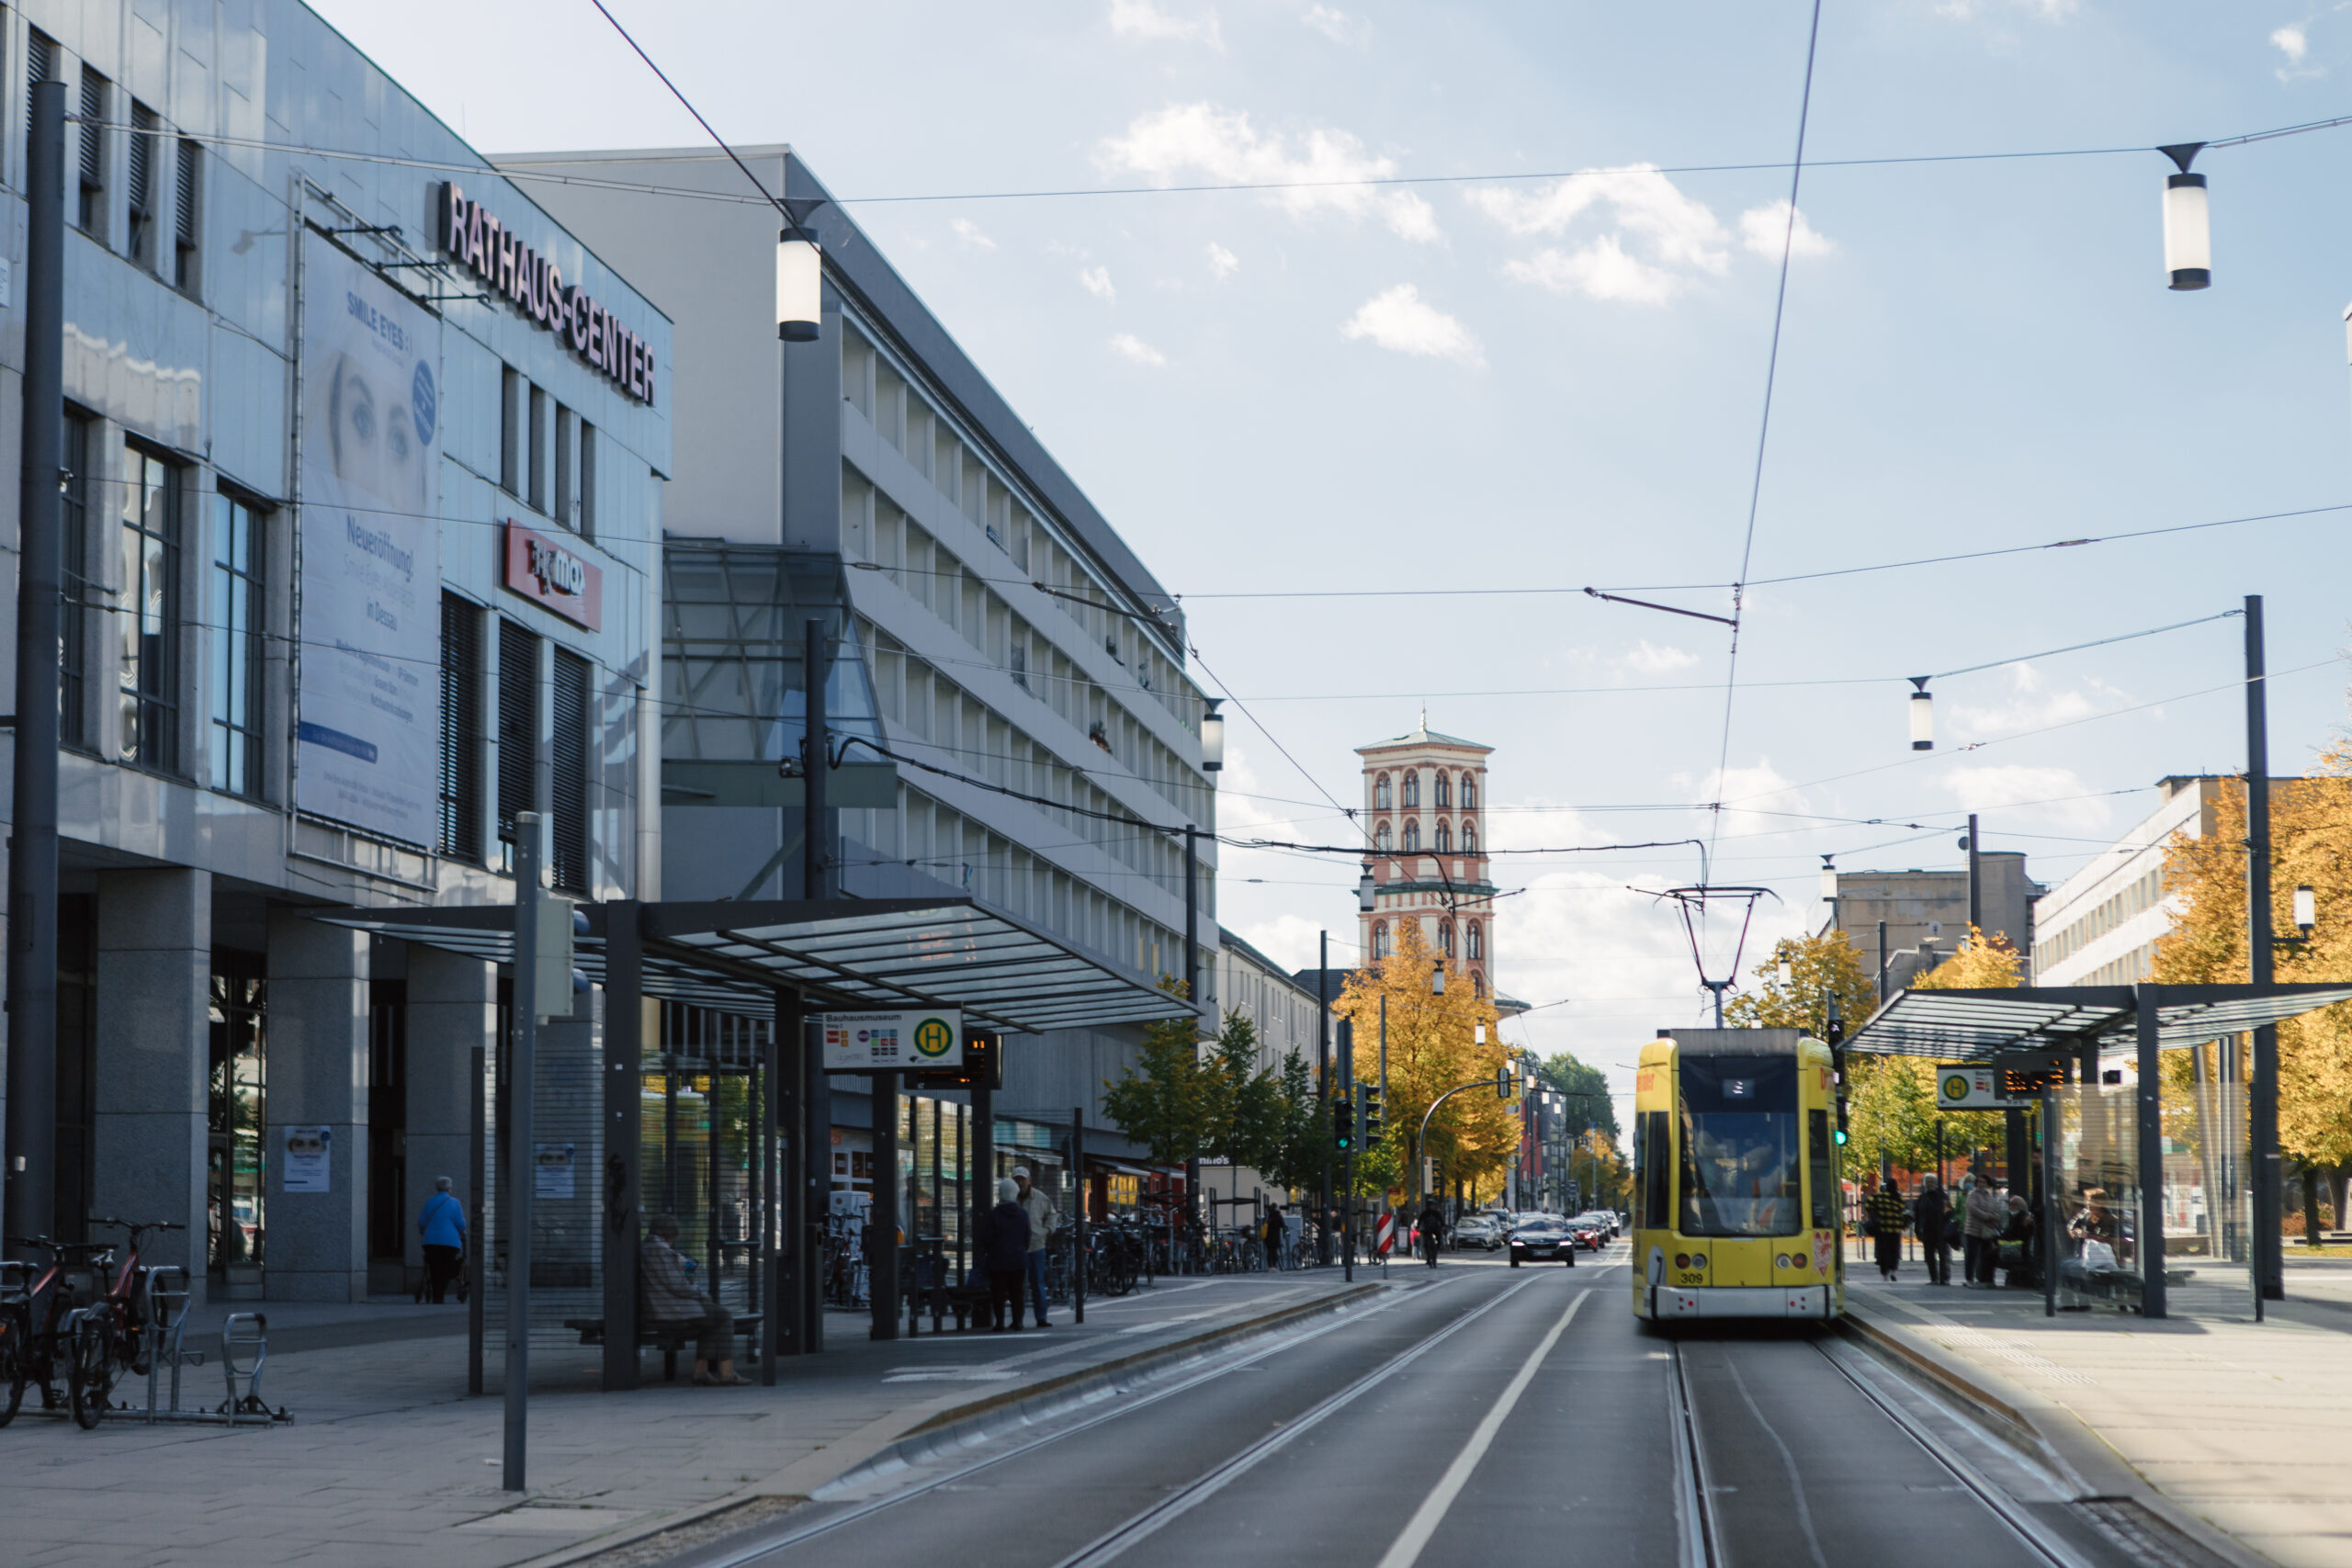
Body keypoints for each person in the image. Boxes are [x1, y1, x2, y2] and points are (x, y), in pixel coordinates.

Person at [640, 1215, 745, 1385]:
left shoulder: (649, 1248)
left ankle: (701, 1371)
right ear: (672, 1234)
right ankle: (726, 1372)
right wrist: (700, 1293)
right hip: (670, 1310)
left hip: (662, 1306)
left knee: (710, 1320)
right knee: (723, 1316)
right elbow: (677, 1285)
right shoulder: (660, 1251)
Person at [978, 1177, 1032, 1330]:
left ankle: (1000, 1322)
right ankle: (1018, 1321)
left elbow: (988, 1238)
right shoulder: (1023, 1214)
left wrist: (990, 1250)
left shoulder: (995, 1214)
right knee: (1017, 1292)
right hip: (1019, 1259)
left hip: (998, 1260)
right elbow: (1027, 1237)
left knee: (998, 1293)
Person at [1012, 1167, 1057, 1327]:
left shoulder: (1040, 1197)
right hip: (1017, 1247)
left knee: (1037, 1283)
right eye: (1017, 1179)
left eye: (1022, 1179)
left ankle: (1041, 1317)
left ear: (1029, 1180)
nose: (1020, 1182)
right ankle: (1018, 1319)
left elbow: (1052, 1214)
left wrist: (1046, 1231)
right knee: (1018, 1285)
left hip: (1036, 1245)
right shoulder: (1011, 1198)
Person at [417, 1177, 467, 1303]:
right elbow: (461, 1224)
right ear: (450, 1188)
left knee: (434, 1267)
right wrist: (463, 1233)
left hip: (431, 1242)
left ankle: (436, 1294)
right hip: (450, 1242)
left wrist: (424, 1232)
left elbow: (422, 1222)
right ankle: (440, 1294)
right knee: (446, 1265)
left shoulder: (430, 1202)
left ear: (437, 1188)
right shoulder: (455, 1203)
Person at [1962, 1170, 2006, 1289]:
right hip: (1973, 1230)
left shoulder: (1990, 1197)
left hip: (1986, 1231)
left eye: (1984, 1182)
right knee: (1972, 1255)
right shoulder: (1972, 1194)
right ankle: (1969, 1278)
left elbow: (1996, 1210)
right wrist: (1987, 1216)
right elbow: (1973, 1209)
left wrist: (1994, 1217)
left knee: (1986, 1255)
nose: (1982, 1184)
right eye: (1980, 1182)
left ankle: (1984, 1278)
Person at [1866, 1175, 1907, 1281]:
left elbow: (1868, 1205)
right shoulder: (1898, 1199)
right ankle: (1893, 1270)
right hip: (1895, 1230)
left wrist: (1875, 1213)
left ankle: (1885, 1273)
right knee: (1894, 1251)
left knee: (1883, 1251)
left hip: (1882, 1229)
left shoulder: (1879, 1197)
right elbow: (1903, 1211)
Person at [1915, 1174, 1951, 1286]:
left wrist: (1945, 1225)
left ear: (1936, 1183)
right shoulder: (1922, 1197)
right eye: (1927, 1181)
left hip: (1940, 1230)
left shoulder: (1942, 1196)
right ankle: (1934, 1278)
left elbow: (1949, 1212)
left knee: (1943, 1255)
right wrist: (1917, 1229)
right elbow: (1918, 1214)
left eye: (1932, 1181)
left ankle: (1944, 1278)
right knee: (1929, 1256)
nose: (1929, 1184)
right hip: (1927, 1230)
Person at [1998, 1191, 2037, 1287]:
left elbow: (2013, 1234)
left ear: (2017, 1206)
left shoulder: (2021, 1218)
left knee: (1988, 1256)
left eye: (2011, 1205)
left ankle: (1986, 1279)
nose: (2009, 1207)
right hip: (2020, 1248)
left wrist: (1999, 1238)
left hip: (2017, 1249)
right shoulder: (2021, 1217)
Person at [1417, 1200, 1444, 1267]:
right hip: (1428, 1230)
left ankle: (1435, 1251)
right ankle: (1429, 1256)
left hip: (1434, 1229)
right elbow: (1420, 1220)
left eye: (1432, 1205)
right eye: (1431, 1205)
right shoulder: (1426, 1213)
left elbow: (1441, 1220)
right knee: (1426, 1243)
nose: (1432, 1207)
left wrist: (1443, 1226)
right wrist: (1418, 1227)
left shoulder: (1435, 1213)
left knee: (1439, 1241)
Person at [1262, 1202, 1284, 1270]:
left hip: (1267, 1237)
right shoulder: (1278, 1216)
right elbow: (1283, 1225)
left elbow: (1263, 1223)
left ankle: (1270, 1266)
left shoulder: (1268, 1215)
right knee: (1275, 1251)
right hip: (1275, 1236)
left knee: (1269, 1251)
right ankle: (1274, 1266)